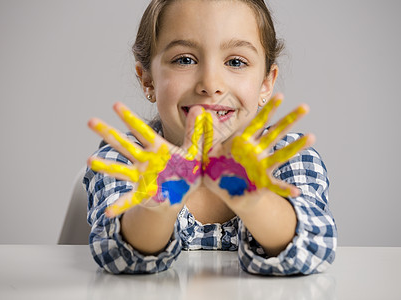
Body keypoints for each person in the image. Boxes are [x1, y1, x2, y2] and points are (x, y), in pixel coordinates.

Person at [83, 0, 337, 275]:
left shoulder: (287, 156)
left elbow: (316, 249)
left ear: (266, 83)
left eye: (236, 62)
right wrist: (160, 201)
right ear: (148, 80)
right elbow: (115, 257)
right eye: (185, 60)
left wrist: (254, 200)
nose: (211, 84)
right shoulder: (126, 159)